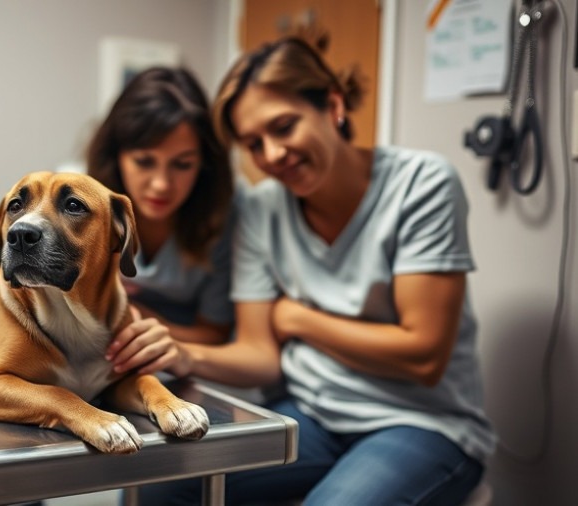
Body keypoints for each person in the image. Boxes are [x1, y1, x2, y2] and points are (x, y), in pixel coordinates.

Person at [112, 36, 497, 505]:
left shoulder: (421, 185)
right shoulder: (261, 209)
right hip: (310, 416)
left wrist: (299, 319)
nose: (273, 154)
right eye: (254, 144)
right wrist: (185, 355)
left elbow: (423, 355)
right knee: (157, 486)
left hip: (419, 423)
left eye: (284, 127)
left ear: (332, 104)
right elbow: (260, 353)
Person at [86, 66, 237, 374]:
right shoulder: (79, 202)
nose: (161, 185)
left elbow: (215, 334)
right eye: (144, 162)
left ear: (205, 165)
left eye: (182, 164)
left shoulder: (225, 216)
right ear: (116, 156)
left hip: (184, 372)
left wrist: (138, 318)